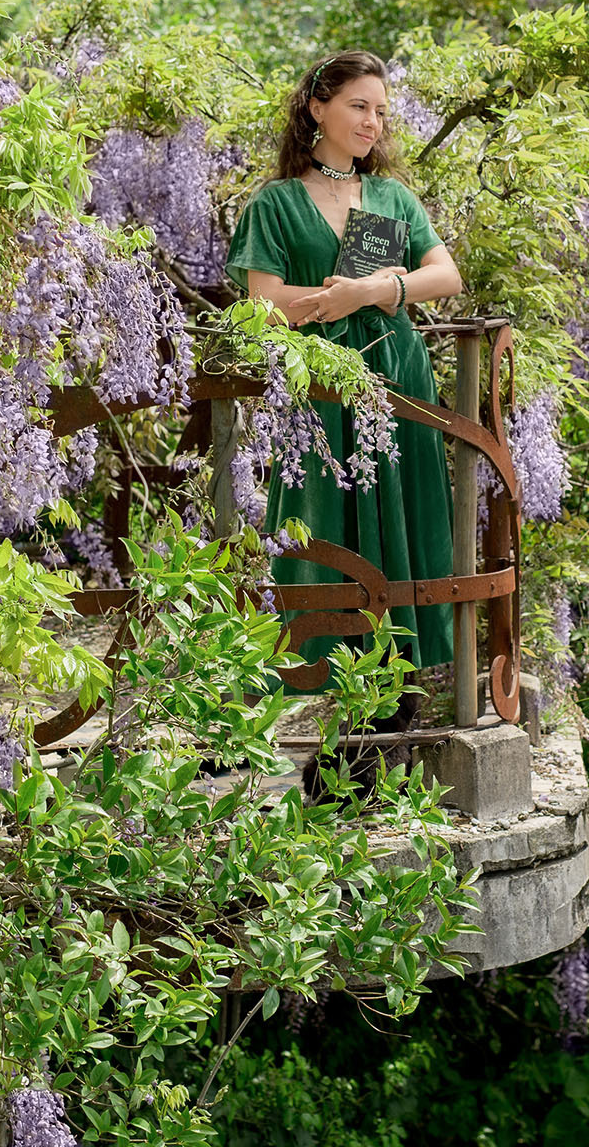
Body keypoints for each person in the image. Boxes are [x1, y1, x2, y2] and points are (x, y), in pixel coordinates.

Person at [225, 50, 467, 700]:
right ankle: (313, 675)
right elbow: (262, 302)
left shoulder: (388, 197)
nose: (371, 123)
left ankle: (395, 687)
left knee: (401, 513)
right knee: (321, 512)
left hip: (393, 373)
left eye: (380, 111)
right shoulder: (276, 203)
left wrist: (368, 291)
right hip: (320, 384)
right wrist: (330, 303)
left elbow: (444, 277)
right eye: (358, 106)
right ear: (316, 108)